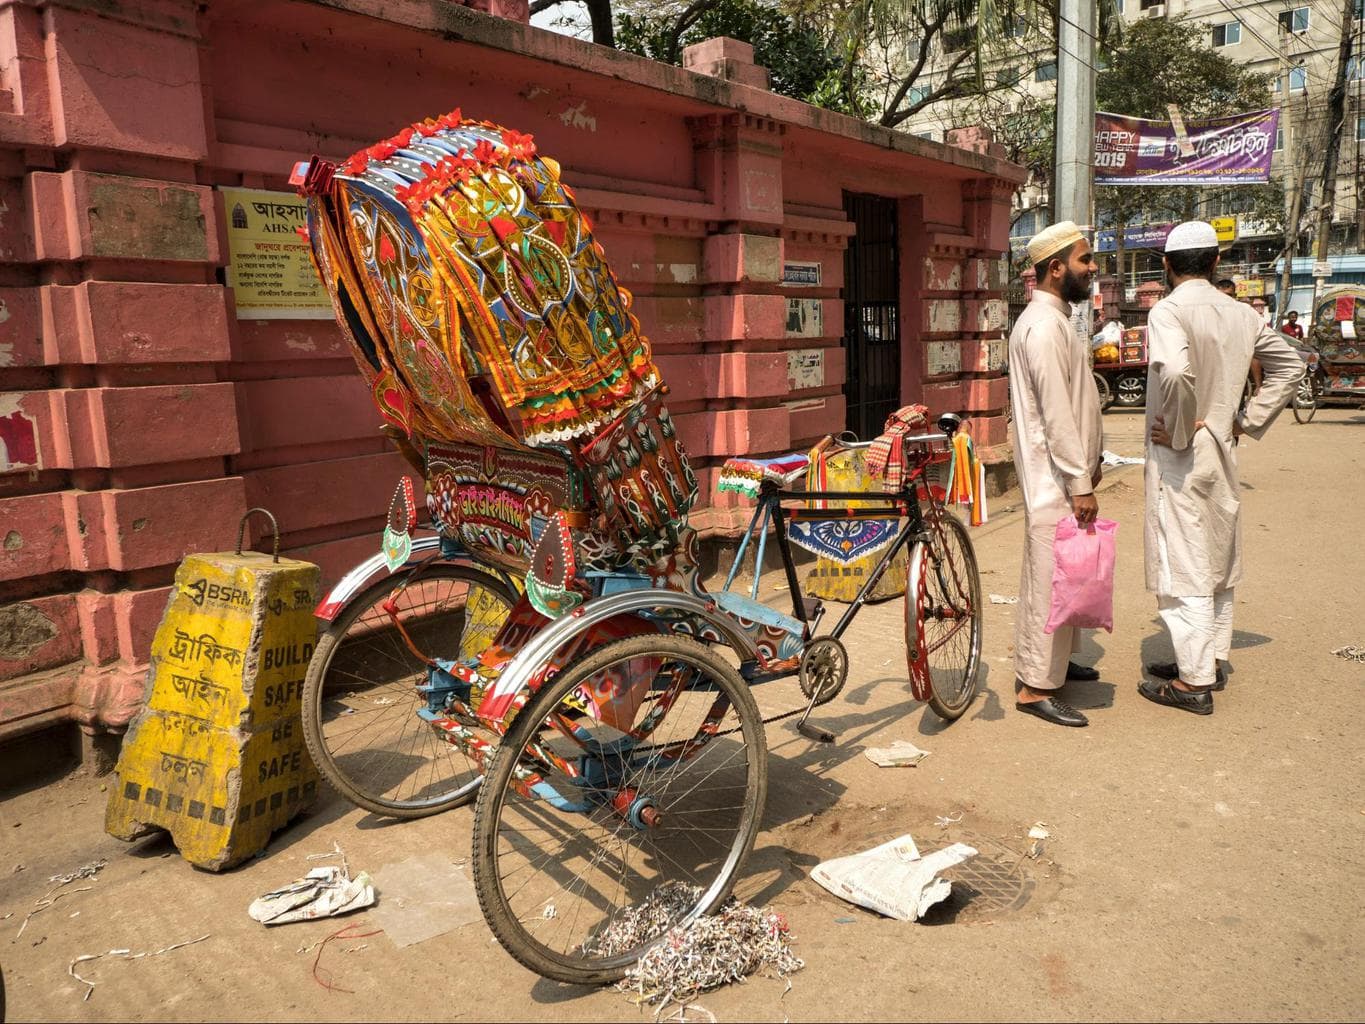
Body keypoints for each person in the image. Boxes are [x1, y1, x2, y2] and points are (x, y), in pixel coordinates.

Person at [1140, 221, 1303, 715]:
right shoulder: (1242, 313)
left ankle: (1194, 682)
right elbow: (1291, 367)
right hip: (1222, 449)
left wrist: (1186, 428)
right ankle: (1207, 658)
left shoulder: (1167, 311)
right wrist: (1245, 421)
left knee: (1185, 562)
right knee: (1217, 553)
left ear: (1167, 266)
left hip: (1181, 453)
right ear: (1215, 262)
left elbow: (1173, 370)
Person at [1008, 222, 1105, 728]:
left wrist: (1095, 458)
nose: (1092, 268)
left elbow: (1080, 400)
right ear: (1055, 267)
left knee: (1066, 573)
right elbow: (1055, 413)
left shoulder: (1058, 320)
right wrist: (1079, 480)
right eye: (1085, 260)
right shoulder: (1043, 326)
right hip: (1053, 479)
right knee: (1049, 579)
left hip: (1065, 475)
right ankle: (1033, 687)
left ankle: (1055, 666)